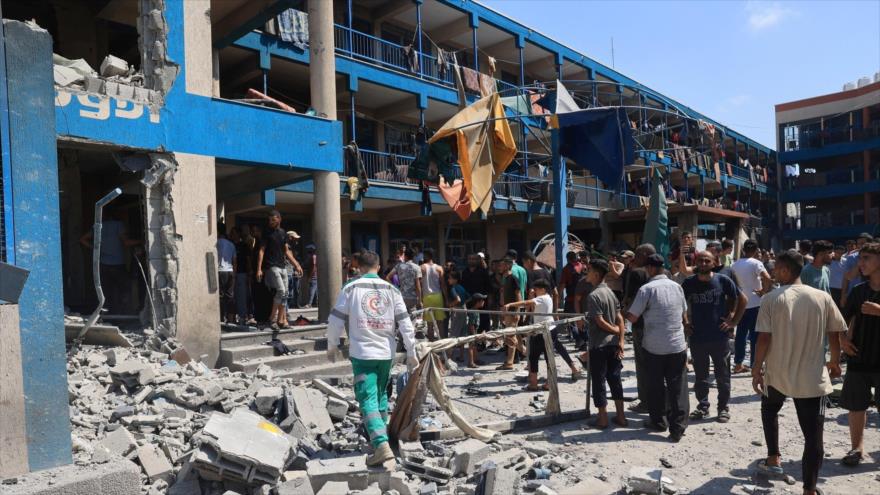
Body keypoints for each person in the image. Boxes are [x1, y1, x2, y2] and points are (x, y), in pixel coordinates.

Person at [751, 249, 845, 495]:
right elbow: (835, 333)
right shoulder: (822, 297)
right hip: (811, 377)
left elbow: (763, 339)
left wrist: (756, 369)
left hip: (778, 374)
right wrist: (835, 361)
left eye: (776, 269)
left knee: (769, 408)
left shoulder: (771, 299)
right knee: (813, 436)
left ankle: (773, 458)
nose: (773, 273)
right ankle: (810, 490)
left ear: (784, 270)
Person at [325, 251, 418, 468]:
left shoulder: (351, 288)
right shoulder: (392, 290)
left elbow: (335, 319)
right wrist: (412, 352)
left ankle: (381, 446)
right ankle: (381, 436)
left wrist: (332, 345)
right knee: (380, 396)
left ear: (358, 266)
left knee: (367, 399)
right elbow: (406, 323)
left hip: (363, 354)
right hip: (386, 354)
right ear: (379, 266)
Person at [626, 253, 690, 442]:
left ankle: (659, 422)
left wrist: (623, 312)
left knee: (654, 386)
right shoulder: (677, 287)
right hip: (677, 345)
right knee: (677, 386)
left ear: (651, 269)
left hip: (653, 346)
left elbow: (633, 317)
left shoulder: (646, 289)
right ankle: (677, 428)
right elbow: (684, 315)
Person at [682, 251, 747, 422]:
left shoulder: (722, 280)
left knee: (723, 376)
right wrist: (686, 322)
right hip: (697, 338)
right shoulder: (688, 283)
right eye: (700, 261)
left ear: (713, 263)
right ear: (695, 262)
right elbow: (680, 304)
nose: (703, 263)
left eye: (707, 261)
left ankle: (723, 408)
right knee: (700, 377)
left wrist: (733, 320)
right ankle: (703, 407)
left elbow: (742, 299)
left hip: (719, 337)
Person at [839, 242, 880, 467]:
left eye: (866, 258)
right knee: (856, 406)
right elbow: (842, 321)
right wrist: (843, 339)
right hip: (859, 357)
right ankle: (857, 448)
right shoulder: (858, 291)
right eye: (860, 258)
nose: (860, 263)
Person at [505, 279, 579, 388]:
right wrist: (531, 296)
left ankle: (534, 384)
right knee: (548, 357)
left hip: (542, 331)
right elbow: (529, 307)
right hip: (549, 329)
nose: (534, 290)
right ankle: (547, 383)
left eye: (536, 289)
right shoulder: (547, 297)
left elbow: (527, 303)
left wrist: (510, 304)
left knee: (534, 357)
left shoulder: (542, 298)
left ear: (543, 289)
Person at [584, 259, 627, 429]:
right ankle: (621, 417)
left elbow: (600, 321)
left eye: (588, 271)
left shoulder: (594, 295)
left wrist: (616, 332)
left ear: (596, 274)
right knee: (615, 380)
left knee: (599, 381)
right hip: (614, 345)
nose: (586, 273)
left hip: (599, 345)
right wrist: (621, 340)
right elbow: (620, 319)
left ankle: (602, 419)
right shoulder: (611, 293)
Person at [79, 206, 140, 314]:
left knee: (106, 291)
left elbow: (83, 239)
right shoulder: (118, 225)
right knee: (124, 289)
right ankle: (123, 315)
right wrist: (142, 241)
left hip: (102, 264)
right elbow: (126, 242)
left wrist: (95, 248)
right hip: (117, 264)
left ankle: (106, 316)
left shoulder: (98, 227)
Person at [622, 244, 656, 412]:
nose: (634, 259)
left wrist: (623, 315)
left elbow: (630, 300)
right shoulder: (666, 274)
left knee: (643, 365)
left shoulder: (637, 273)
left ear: (644, 254)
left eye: (637, 255)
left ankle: (646, 402)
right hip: (659, 326)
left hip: (641, 325)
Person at [730, 239, 773, 373]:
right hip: (755, 304)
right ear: (755, 250)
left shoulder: (734, 264)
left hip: (740, 304)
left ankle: (738, 364)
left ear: (743, 249)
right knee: (755, 336)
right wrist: (764, 291)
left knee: (741, 335)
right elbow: (767, 278)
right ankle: (755, 365)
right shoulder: (756, 263)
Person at [256, 210, 299, 330]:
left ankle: (281, 320)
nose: (271, 222)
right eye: (270, 220)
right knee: (280, 290)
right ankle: (272, 319)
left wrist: (296, 264)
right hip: (271, 266)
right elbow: (261, 250)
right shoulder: (267, 233)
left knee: (285, 294)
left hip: (282, 266)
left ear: (279, 219)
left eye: (273, 220)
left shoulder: (282, 232)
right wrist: (259, 269)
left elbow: (286, 251)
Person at [497, 257, 524, 370]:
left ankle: (509, 362)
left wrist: (517, 311)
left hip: (513, 311)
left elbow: (518, 295)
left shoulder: (513, 278)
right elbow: (503, 295)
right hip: (507, 311)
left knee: (510, 336)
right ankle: (528, 354)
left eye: (501, 265)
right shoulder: (504, 278)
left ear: (507, 266)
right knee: (514, 336)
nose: (499, 267)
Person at [559, 251, 585, 346]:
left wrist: (558, 296)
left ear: (568, 259)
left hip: (571, 299)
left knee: (569, 319)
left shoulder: (566, 269)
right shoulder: (583, 266)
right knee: (582, 319)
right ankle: (583, 340)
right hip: (583, 298)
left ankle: (579, 340)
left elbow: (562, 284)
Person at [840, 233, 873, 307]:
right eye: (858, 243)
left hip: (872, 294)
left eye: (863, 243)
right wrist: (843, 296)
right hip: (855, 295)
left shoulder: (876, 257)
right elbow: (848, 278)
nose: (860, 246)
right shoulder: (851, 258)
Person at [419, 248, 447, 338]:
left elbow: (419, 284)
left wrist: (419, 299)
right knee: (440, 323)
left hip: (427, 297)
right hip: (438, 296)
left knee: (430, 325)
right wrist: (446, 299)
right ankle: (442, 344)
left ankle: (431, 346)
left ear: (427, 256)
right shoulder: (439, 268)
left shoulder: (422, 267)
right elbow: (443, 285)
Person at [446, 271, 470, 362]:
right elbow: (468, 297)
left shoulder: (454, 288)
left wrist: (451, 305)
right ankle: (461, 356)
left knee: (453, 332)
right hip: (464, 309)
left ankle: (449, 356)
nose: (448, 280)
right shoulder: (462, 287)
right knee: (462, 333)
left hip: (457, 310)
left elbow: (457, 299)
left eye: (450, 278)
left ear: (455, 279)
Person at [232, 227, 253, 325]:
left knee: (242, 296)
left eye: (234, 232)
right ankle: (234, 316)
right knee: (234, 296)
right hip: (232, 274)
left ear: (238, 234)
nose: (232, 234)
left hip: (242, 273)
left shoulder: (243, 246)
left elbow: (248, 260)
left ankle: (243, 317)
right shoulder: (231, 245)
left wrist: (249, 272)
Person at [216, 228, 237, 323]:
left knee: (219, 296)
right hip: (230, 271)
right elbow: (234, 261)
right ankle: (231, 319)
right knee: (230, 296)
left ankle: (220, 319)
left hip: (219, 271)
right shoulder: (231, 244)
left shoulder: (216, 243)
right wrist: (234, 273)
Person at [464, 293, 487, 368]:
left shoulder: (475, 310)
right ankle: (470, 362)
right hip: (472, 331)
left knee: (474, 346)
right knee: (471, 346)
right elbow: (471, 324)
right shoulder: (473, 312)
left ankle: (476, 359)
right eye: (482, 300)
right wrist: (474, 334)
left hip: (474, 330)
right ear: (477, 302)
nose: (484, 302)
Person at [284, 231, 303, 311]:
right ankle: (285, 312)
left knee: (291, 293)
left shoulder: (292, 248)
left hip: (291, 272)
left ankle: (288, 309)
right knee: (286, 293)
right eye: (295, 239)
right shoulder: (285, 247)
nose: (296, 241)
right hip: (286, 272)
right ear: (290, 238)